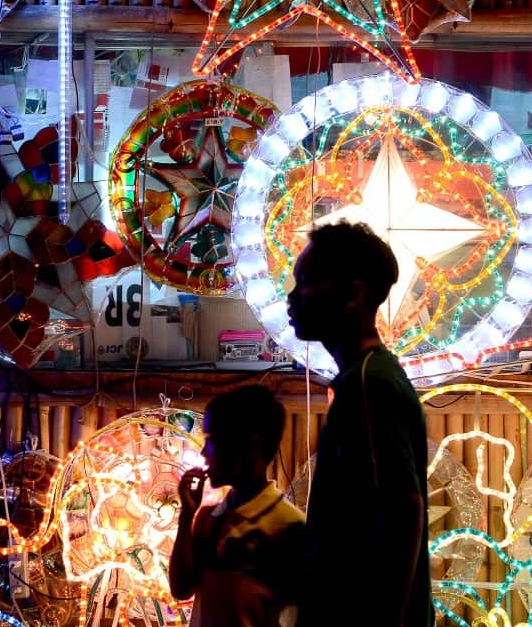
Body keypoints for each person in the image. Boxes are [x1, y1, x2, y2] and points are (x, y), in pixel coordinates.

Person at [287, 222, 432, 627]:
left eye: (306, 283)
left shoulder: (370, 386)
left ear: (354, 294)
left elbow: (404, 509)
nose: (292, 297)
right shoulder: (366, 377)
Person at [170, 384, 306, 627]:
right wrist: (185, 517)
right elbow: (181, 589)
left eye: (211, 440)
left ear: (248, 447)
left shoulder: (290, 528)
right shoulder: (208, 518)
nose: (203, 452)